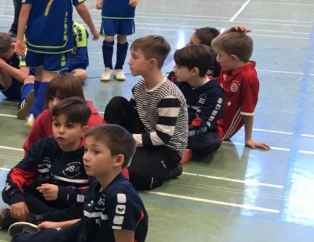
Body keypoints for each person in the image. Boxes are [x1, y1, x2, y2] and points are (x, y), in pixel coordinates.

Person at [10, 125, 168, 242]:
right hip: (82, 235)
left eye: (95, 152)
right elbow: (89, 218)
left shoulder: (120, 198)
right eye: (86, 150)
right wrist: (57, 225)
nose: (86, 157)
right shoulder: (98, 182)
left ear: (118, 160)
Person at [14, 0, 98, 124]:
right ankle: (35, 113)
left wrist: (19, 39)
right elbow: (81, 7)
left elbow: (24, 11)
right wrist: (92, 28)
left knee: (39, 73)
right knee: (50, 76)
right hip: (57, 38)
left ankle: (39, 106)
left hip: (34, 36)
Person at [103, 35, 187, 190]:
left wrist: (125, 140)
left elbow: (162, 137)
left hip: (166, 148)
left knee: (134, 176)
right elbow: (131, 113)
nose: (129, 62)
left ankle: (171, 170)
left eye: (135, 57)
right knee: (117, 104)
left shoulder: (168, 95)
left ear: (152, 63)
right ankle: (114, 147)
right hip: (146, 135)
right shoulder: (140, 86)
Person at [0, 98, 92, 230]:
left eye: (69, 126)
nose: (61, 130)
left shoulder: (90, 154)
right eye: (57, 124)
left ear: (83, 131)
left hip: (75, 202)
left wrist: (63, 193)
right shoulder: (43, 146)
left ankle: (34, 220)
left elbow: (98, 193)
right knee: (10, 192)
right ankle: (44, 221)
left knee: (91, 209)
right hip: (48, 199)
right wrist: (16, 198)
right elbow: (18, 173)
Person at [211, 27, 269, 151]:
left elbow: (248, 110)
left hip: (222, 126)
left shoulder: (248, 77)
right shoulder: (229, 65)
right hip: (213, 109)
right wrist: (229, 31)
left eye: (220, 56)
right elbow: (214, 45)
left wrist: (248, 139)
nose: (217, 59)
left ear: (233, 58)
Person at [22, 72, 103, 153]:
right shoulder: (44, 117)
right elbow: (29, 148)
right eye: (51, 98)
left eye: (61, 98)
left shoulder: (94, 124)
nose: (54, 103)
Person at [171, 44, 224, 164]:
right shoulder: (177, 83)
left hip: (199, 132)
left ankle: (184, 148)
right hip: (175, 127)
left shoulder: (215, 93)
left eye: (179, 66)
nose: (174, 70)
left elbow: (205, 124)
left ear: (194, 71)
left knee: (211, 141)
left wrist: (176, 134)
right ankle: (176, 145)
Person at [0, 31, 35, 117]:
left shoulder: (21, 50)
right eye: (0, 58)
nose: (2, 59)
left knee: (30, 78)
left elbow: (24, 76)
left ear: (13, 47)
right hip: (10, 90)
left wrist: (2, 63)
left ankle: (25, 104)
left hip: (28, 86)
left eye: (4, 57)